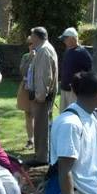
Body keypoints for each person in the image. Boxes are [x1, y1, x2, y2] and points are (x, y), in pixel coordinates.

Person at [28, 26, 58, 165]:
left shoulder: (44, 50)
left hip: (42, 96)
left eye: (32, 36)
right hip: (42, 95)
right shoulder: (43, 49)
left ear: (37, 37)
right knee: (41, 125)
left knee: (41, 126)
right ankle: (41, 155)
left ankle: (42, 158)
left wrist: (40, 95)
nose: (30, 39)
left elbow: (44, 75)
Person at [59, 27, 92, 112]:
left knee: (73, 114)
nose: (64, 41)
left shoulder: (82, 53)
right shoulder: (68, 51)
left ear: (73, 38)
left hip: (74, 92)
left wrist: (77, 85)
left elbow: (88, 72)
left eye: (65, 39)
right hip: (64, 89)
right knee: (63, 114)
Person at [16, 36, 35, 150]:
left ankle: (40, 139)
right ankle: (30, 139)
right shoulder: (25, 56)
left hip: (37, 88)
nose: (31, 46)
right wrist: (29, 59)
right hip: (26, 87)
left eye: (33, 43)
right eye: (29, 44)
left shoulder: (42, 56)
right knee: (28, 114)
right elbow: (22, 71)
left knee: (39, 114)